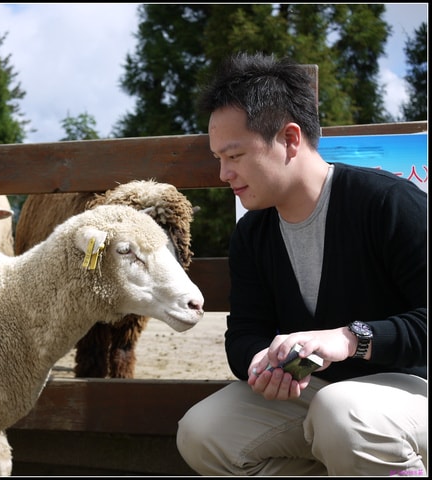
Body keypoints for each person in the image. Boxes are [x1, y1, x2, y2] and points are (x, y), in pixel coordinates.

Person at [176, 52, 427, 476]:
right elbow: (244, 333)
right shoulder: (253, 233)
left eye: (234, 156)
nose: (223, 174)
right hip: (316, 392)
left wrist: (351, 339)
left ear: (290, 139)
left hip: (412, 389)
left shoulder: (389, 204)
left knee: (343, 414)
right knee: (202, 433)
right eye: (218, 158)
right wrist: (262, 361)